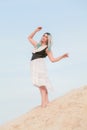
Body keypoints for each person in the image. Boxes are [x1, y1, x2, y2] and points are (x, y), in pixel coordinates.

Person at [28, 27, 69, 108]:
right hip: (34, 65)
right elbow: (29, 37)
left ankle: (43, 104)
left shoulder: (47, 49)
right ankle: (46, 102)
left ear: (48, 40)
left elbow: (52, 60)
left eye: (46, 37)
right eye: (43, 35)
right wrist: (36, 30)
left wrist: (62, 56)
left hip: (39, 65)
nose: (44, 37)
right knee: (41, 85)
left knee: (41, 85)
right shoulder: (37, 45)